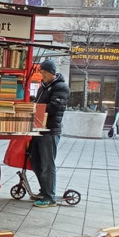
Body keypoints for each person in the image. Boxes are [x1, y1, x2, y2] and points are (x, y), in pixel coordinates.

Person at [30, 59, 70, 208]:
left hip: (50, 130)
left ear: (52, 72)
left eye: (45, 73)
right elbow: (39, 103)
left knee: (47, 164)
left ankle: (49, 197)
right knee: (35, 162)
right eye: (41, 72)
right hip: (38, 130)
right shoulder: (43, 87)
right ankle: (44, 190)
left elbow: (55, 107)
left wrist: (35, 108)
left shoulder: (61, 87)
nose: (43, 75)